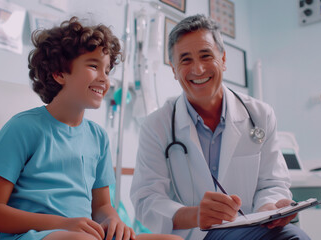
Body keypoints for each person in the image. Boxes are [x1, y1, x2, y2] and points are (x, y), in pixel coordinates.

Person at [0, 17, 182, 240]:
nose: (104, 78)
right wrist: (64, 224)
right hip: (33, 235)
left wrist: (113, 220)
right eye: (94, 66)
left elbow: (102, 206)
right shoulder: (24, 127)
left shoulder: (98, 137)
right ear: (59, 73)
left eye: (107, 70)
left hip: (84, 235)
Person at [130, 14, 310, 240]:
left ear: (223, 60)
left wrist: (269, 208)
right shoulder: (157, 125)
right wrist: (196, 215)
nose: (198, 69)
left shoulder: (259, 115)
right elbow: (146, 200)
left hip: (252, 229)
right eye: (185, 60)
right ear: (174, 70)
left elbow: (272, 182)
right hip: (193, 234)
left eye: (206, 56)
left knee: (293, 237)